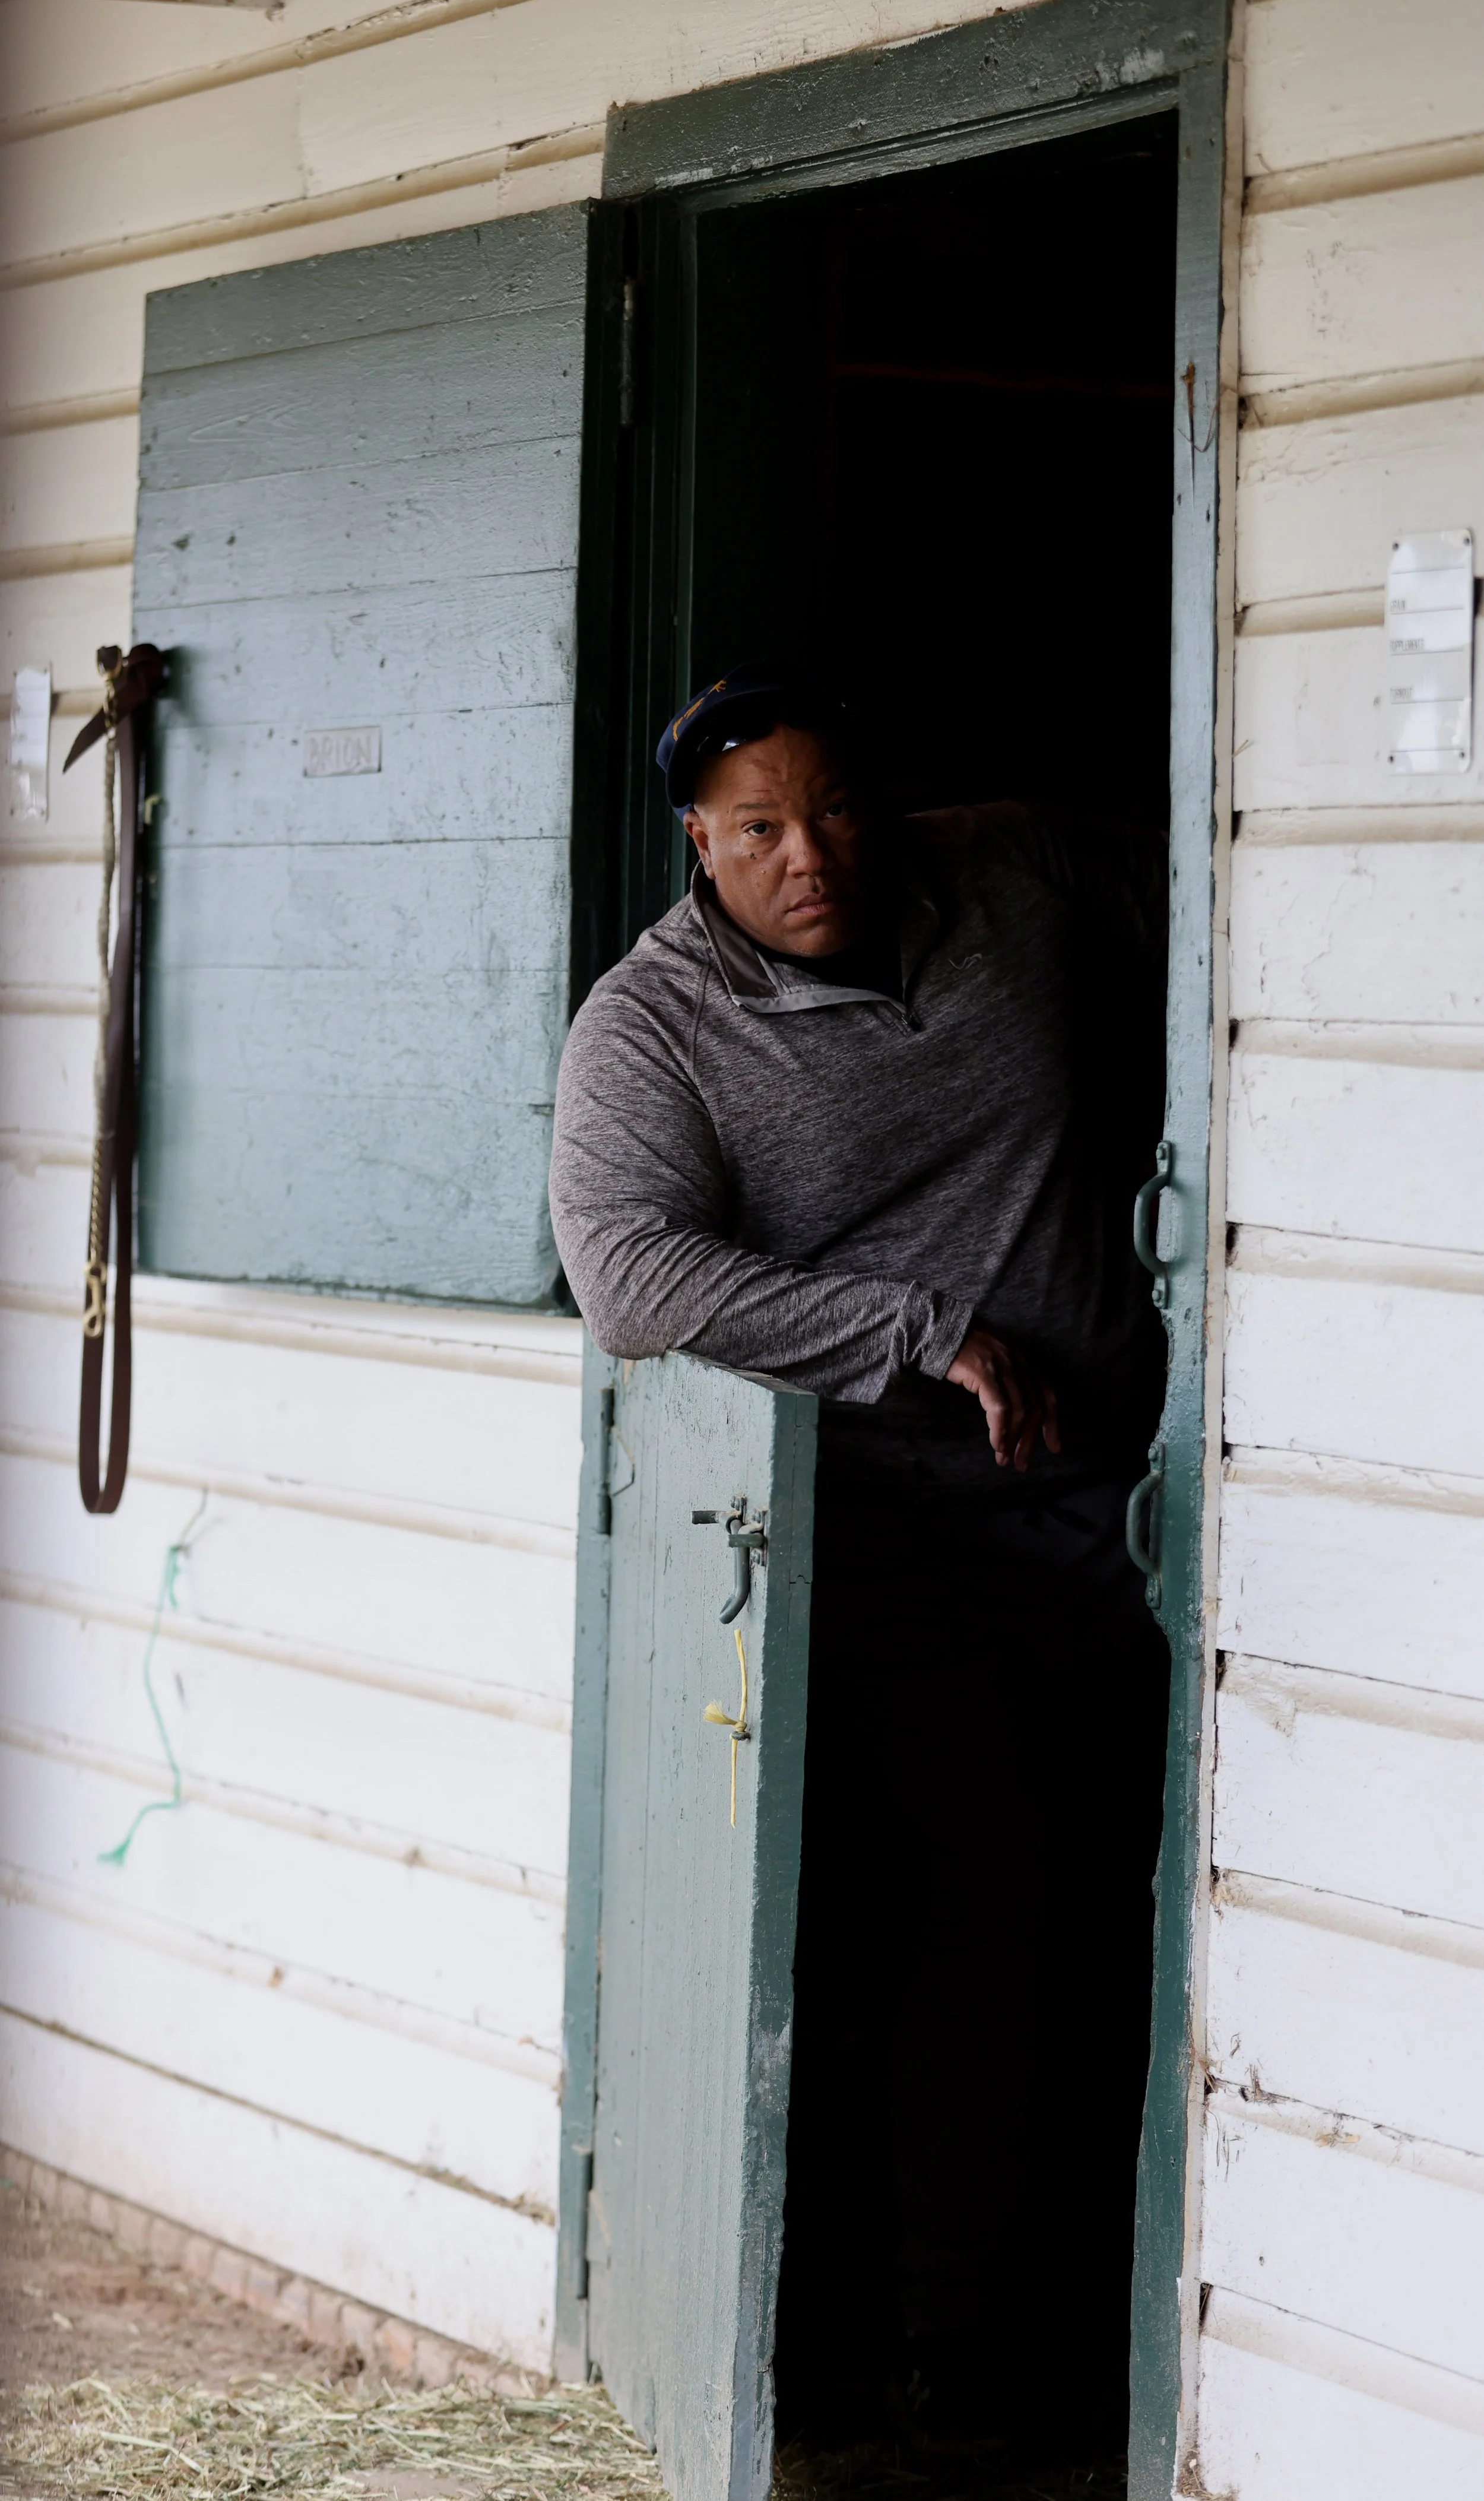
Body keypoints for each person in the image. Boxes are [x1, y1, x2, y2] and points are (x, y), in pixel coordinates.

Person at [548, 665, 1171, 2455]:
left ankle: (1086, 2294)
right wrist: (920, 1331)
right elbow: (627, 1274)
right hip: (889, 1529)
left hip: (1128, 1500)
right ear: (699, 844)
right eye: (758, 830)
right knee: (984, 1887)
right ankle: (942, 2339)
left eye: (831, 812)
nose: (807, 857)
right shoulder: (652, 1025)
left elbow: (1239, 896)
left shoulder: (1015, 871)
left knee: (1138, 1889)